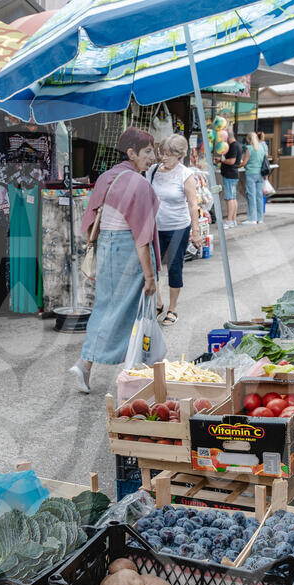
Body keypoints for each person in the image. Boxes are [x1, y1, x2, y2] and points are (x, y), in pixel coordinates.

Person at [69, 127, 160, 393]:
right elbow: (142, 236)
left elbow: (90, 221)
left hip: (107, 248)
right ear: (131, 153)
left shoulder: (106, 177)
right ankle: (133, 375)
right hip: (128, 250)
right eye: (147, 151)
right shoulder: (139, 184)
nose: (153, 157)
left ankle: (85, 364)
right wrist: (150, 276)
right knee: (136, 314)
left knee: (106, 309)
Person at [148, 133, 202, 327]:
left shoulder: (185, 174)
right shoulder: (153, 170)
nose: (163, 157)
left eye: (168, 154)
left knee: (174, 267)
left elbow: (192, 204)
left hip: (178, 227)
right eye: (162, 153)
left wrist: (195, 232)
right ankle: (158, 303)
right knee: (152, 267)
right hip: (155, 228)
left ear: (179, 155)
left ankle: (172, 308)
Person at [243, 132, 269, 226]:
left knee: (251, 196)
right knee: (259, 196)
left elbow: (244, 162)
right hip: (260, 174)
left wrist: (240, 164)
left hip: (251, 173)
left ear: (249, 139)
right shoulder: (262, 147)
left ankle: (252, 219)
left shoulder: (249, 148)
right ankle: (260, 218)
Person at [219, 129, 242, 229]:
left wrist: (222, 160)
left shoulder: (233, 146)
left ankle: (229, 221)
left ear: (227, 137)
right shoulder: (238, 145)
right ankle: (233, 220)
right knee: (233, 198)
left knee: (229, 199)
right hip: (233, 174)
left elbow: (232, 161)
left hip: (229, 174)